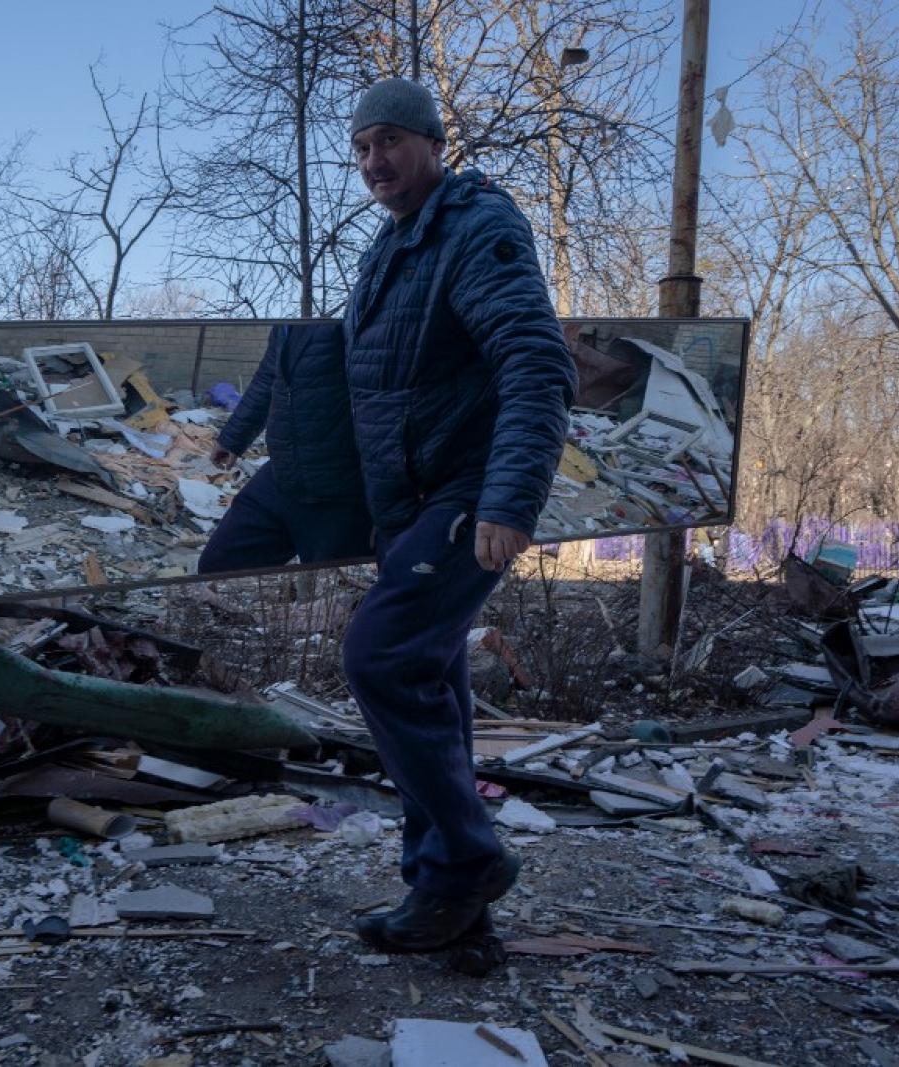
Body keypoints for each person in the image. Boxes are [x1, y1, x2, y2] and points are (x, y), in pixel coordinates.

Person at [339, 79, 577, 959]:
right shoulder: (392, 245)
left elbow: (536, 362)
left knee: (381, 660)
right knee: (432, 683)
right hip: (414, 507)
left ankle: (467, 861)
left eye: (391, 141)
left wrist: (510, 501)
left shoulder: (475, 227)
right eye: (362, 147)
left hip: (467, 496)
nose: (375, 163)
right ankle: (450, 906)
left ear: (433, 144)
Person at [197, 321, 373, 573]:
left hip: (340, 491)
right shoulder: (287, 323)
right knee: (218, 566)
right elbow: (269, 376)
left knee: (337, 593)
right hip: (282, 477)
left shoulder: (351, 310)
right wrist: (233, 437)